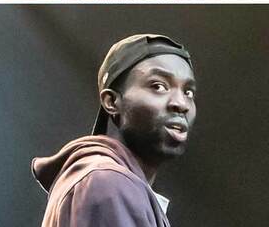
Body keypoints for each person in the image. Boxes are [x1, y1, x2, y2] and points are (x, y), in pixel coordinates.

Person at [32, 34, 196, 226]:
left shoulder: (104, 179)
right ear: (111, 101)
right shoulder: (109, 183)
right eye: (158, 86)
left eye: (188, 92)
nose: (181, 104)